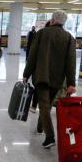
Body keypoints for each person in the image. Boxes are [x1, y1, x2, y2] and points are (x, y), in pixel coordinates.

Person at [23, 10, 76, 149]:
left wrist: (26, 74)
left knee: (44, 105)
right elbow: (71, 62)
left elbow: (32, 56)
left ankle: (50, 136)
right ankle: (40, 127)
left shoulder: (42, 33)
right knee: (46, 104)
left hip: (41, 75)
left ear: (52, 20)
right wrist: (71, 83)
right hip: (58, 79)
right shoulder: (69, 37)